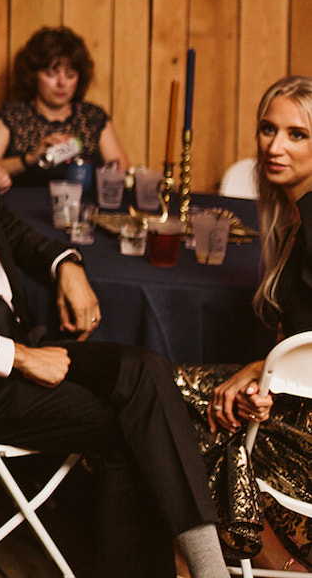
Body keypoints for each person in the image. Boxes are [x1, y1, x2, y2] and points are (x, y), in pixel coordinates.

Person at [0, 45, 227, 578]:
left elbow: (8, 233)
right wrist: (21, 358)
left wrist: (65, 264)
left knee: (145, 370)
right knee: (134, 427)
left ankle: (205, 568)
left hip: (27, 344)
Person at [175, 75, 312, 573]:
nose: (275, 146)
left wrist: (262, 368)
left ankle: (234, 562)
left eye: (298, 134)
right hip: (293, 399)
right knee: (165, 398)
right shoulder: (295, 214)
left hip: (305, 428)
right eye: (267, 128)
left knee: (158, 398)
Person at [0, 25, 129, 187]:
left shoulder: (92, 117)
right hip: (21, 209)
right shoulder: (13, 115)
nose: (62, 83)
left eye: (70, 75)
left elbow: (122, 171)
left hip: (84, 209)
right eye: (51, 74)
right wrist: (30, 158)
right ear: (33, 75)